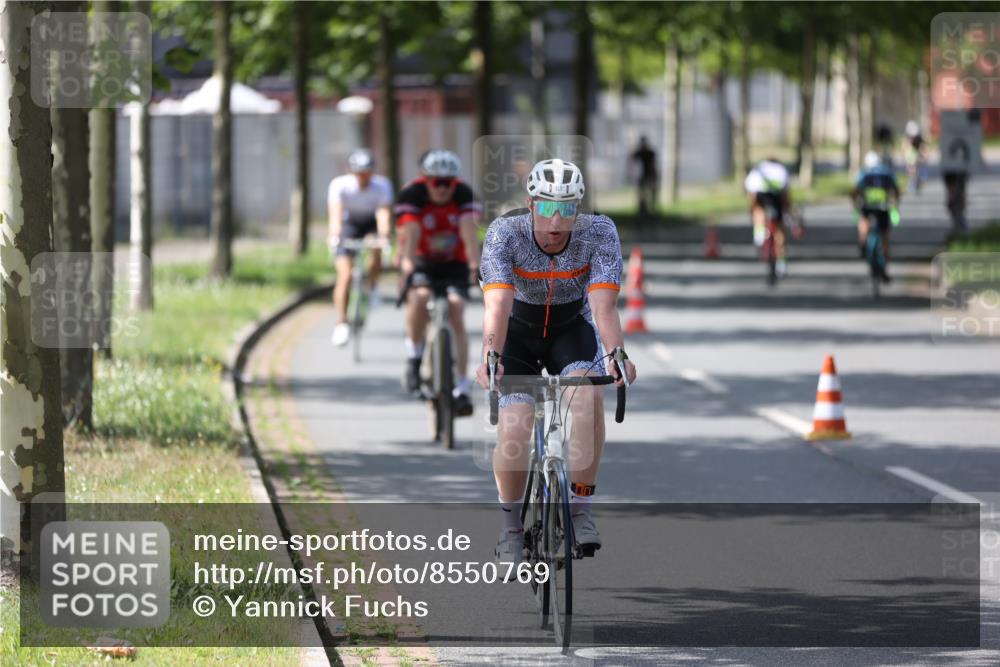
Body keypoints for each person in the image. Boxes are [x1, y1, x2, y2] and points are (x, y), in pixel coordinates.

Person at [475, 158, 638, 564]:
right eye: (547, 207)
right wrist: (490, 356)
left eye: (566, 209)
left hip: (571, 331)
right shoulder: (504, 234)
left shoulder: (599, 233)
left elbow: (604, 307)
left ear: (578, 208)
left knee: (586, 398)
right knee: (514, 427)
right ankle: (511, 529)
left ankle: (581, 509)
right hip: (518, 335)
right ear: (531, 204)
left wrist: (616, 353)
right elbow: (496, 305)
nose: (555, 220)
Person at [395, 149, 481, 416]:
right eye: (437, 183)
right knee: (419, 298)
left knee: (456, 308)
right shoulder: (412, 194)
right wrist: (407, 268)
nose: (443, 189)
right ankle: (414, 355)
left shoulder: (463, 193)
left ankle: (462, 387)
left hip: (453, 261)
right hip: (420, 257)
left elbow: (468, 230)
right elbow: (410, 232)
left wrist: (474, 265)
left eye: (448, 183)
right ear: (426, 180)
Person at [328, 149, 393, 347]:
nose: (362, 177)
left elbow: (383, 214)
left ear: (372, 172)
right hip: (349, 225)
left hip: (370, 224)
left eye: (366, 173)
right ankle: (341, 323)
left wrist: (384, 236)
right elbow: (335, 215)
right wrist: (334, 236)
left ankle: (372, 286)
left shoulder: (382, 185)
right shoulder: (339, 185)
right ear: (350, 172)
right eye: (358, 173)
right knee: (345, 276)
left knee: (376, 251)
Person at [852, 150, 900, 283]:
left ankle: (862, 245)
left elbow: (856, 191)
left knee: (863, 223)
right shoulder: (887, 172)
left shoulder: (864, 172)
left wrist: (855, 205)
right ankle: (884, 267)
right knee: (885, 237)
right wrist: (895, 205)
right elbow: (895, 191)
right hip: (884, 208)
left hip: (867, 207)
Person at [744, 157, 792, 276]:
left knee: (758, 208)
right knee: (780, 230)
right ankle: (781, 262)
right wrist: (787, 212)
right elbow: (786, 196)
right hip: (777, 195)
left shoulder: (758, 169)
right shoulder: (782, 169)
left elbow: (751, 195)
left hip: (760, 193)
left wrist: (752, 211)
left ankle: (759, 231)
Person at [630, 136, 658, 217]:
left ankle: (650, 210)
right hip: (644, 177)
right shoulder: (642, 153)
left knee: (649, 195)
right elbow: (633, 160)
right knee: (643, 195)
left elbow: (652, 165)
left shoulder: (649, 153)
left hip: (648, 176)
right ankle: (643, 210)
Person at [903, 120, 927, 194]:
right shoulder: (907, 139)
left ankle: (916, 182)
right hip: (911, 155)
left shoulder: (919, 139)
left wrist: (923, 156)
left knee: (915, 169)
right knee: (911, 170)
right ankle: (912, 182)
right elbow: (904, 147)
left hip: (916, 155)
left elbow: (923, 148)